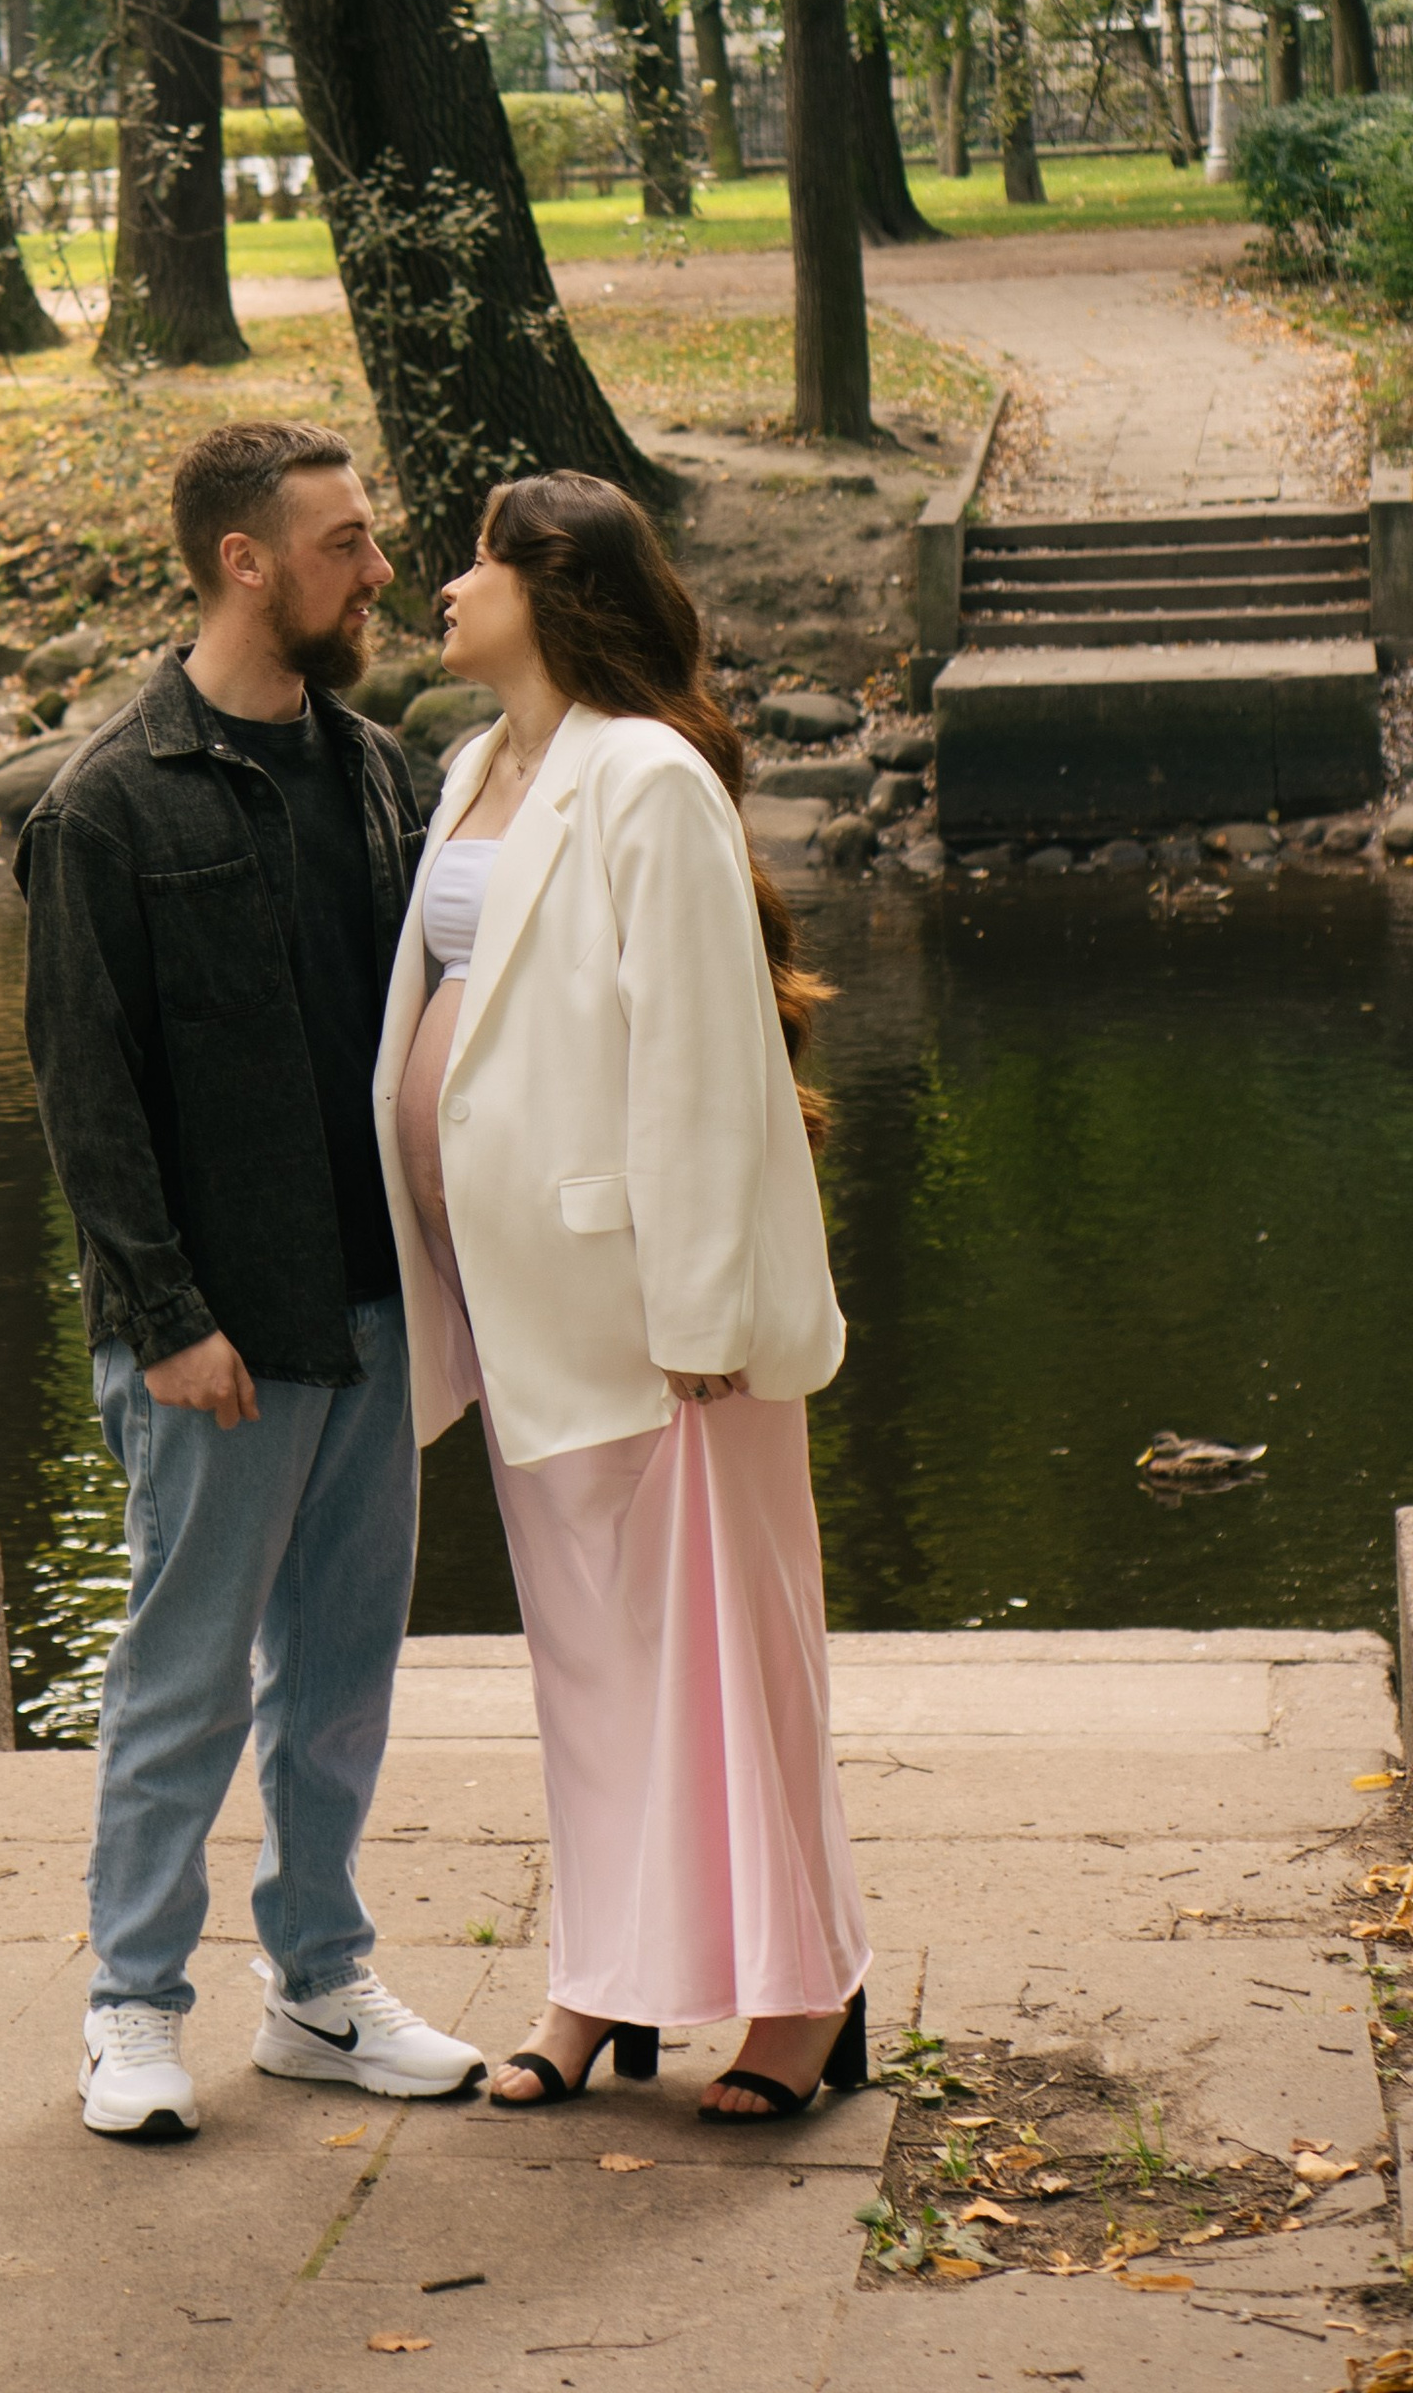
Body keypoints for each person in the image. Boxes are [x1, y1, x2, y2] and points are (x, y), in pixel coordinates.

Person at [374, 471, 871, 2122]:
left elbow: (706, 1058)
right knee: (588, 1666)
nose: (445, 586)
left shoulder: (649, 778)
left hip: (657, 1319)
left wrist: (706, 1314)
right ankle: (606, 1981)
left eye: (481, 563)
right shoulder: (472, 768)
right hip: (518, 1301)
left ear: (557, 586)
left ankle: (803, 1999)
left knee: (730, 1660)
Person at [16, 419, 486, 2143]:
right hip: (217, 1337)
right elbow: (89, 1100)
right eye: (348, 543)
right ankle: (132, 2009)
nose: (380, 572)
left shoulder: (375, 771)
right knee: (184, 1677)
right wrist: (169, 1322)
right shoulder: (104, 808)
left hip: (378, 1313)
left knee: (344, 1674)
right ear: (246, 562)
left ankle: (321, 1989)